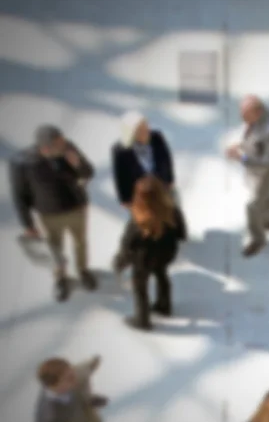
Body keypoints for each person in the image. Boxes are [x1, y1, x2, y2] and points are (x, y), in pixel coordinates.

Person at [9, 125, 98, 302]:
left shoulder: (69, 149)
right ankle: (60, 278)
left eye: (63, 140)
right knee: (54, 248)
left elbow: (89, 172)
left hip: (76, 208)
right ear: (45, 148)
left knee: (80, 242)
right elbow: (20, 195)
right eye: (59, 143)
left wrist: (78, 164)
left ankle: (83, 270)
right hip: (49, 215)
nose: (64, 145)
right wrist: (28, 225)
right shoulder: (24, 162)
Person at [113, 175, 187, 330]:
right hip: (167, 253)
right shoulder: (173, 211)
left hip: (143, 259)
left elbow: (127, 244)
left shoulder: (138, 219)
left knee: (140, 286)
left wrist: (120, 261)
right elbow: (182, 234)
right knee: (161, 275)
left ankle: (142, 319)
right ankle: (164, 305)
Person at [225, 96, 269, 257]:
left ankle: (258, 239)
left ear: (258, 112)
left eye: (246, 115)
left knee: (252, 206)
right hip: (260, 169)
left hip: (267, 171)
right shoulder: (259, 117)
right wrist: (241, 145)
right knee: (266, 195)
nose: (242, 118)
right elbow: (253, 139)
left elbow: (267, 161)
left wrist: (241, 157)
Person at [111, 111, 176, 208]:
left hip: (162, 190)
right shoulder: (121, 150)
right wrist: (124, 199)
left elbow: (167, 160)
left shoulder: (157, 138)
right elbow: (120, 175)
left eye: (146, 126)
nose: (145, 131)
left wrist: (170, 180)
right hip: (140, 198)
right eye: (140, 129)